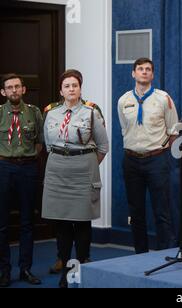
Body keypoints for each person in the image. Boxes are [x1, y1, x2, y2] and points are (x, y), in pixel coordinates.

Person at [42, 69, 109, 288]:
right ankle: (64, 266)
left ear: (80, 88)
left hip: (83, 169)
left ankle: (78, 268)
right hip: (57, 170)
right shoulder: (51, 113)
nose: (71, 89)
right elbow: (47, 144)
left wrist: (87, 164)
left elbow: (103, 146)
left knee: (81, 222)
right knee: (61, 224)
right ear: (61, 90)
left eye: (75, 85)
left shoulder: (91, 112)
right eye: (67, 86)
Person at [118, 58, 178, 253]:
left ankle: (165, 253)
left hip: (157, 160)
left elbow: (173, 132)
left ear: (152, 75)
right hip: (131, 161)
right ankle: (140, 254)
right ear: (133, 74)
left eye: (148, 69)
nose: (144, 72)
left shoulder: (163, 98)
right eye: (140, 69)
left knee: (162, 211)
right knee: (136, 212)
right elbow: (124, 128)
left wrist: (159, 153)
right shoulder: (123, 100)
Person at [0, 74, 43, 287]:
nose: (14, 90)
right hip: (4, 168)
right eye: (9, 87)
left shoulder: (34, 113)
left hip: (27, 168)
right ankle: (4, 271)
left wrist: (30, 157)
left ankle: (25, 268)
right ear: (3, 92)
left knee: (27, 221)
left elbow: (39, 142)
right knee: (2, 224)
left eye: (17, 86)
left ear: (23, 89)